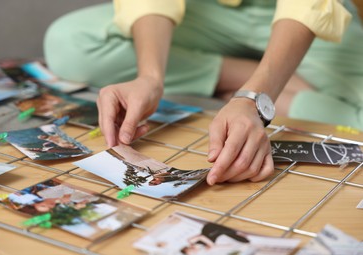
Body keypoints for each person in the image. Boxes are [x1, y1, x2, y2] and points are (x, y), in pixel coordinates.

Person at [44, 0, 362, 185]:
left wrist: (254, 98)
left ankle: (255, 82)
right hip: (206, 12)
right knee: (68, 42)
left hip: (306, 16)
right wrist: (151, 76)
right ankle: (239, 74)